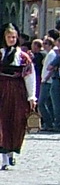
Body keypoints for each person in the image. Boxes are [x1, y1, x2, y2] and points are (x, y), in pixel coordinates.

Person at [0, 23, 37, 169]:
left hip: (17, 92)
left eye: (14, 37)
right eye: (9, 37)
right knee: (2, 123)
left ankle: (11, 154)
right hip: (1, 90)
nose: (11, 39)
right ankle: (3, 157)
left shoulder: (23, 57)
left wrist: (31, 96)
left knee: (16, 123)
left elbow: (29, 76)